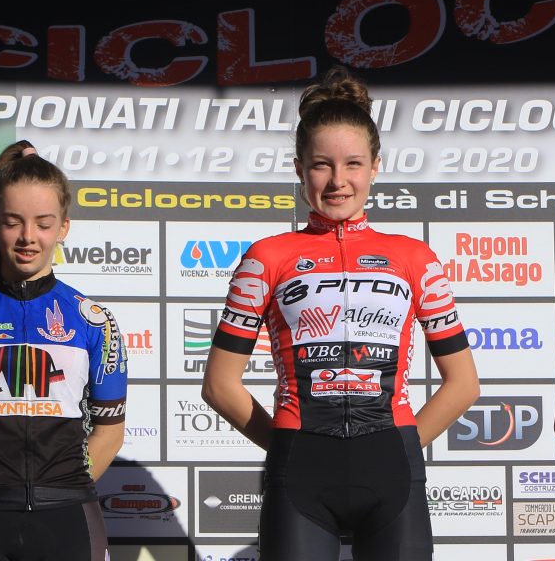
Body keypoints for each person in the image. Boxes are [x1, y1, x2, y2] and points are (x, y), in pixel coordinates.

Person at [202, 67, 480, 561]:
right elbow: (220, 385)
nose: (337, 181)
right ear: (298, 169)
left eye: (353, 164)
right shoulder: (266, 257)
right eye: (321, 165)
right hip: (300, 471)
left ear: (375, 167)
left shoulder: (415, 258)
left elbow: (463, 384)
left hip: (391, 469)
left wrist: (401, 443)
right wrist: (287, 445)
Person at [0, 141, 128, 560]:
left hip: (68, 516)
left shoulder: (94, 320)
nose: (28, 237)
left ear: (63, 227)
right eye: (13, 222)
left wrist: (66, 486)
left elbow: (110, 431)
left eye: (43, 223)